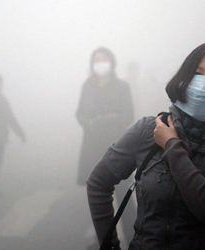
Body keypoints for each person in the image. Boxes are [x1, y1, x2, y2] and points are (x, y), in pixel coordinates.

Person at [87, 41, 205, 249]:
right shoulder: (148, 129)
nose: (203, 84)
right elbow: (98, 183)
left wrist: (171, 145)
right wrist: (109, 246)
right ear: (185, 78)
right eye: (198, 73)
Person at [76, 47, 135, 245]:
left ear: (112, 62)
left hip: (117, 146)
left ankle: (134, 239)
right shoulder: (88, 85)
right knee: (98, 198)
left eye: (104, 59)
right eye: (96, 60)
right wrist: (89, 122)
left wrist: (110, 119)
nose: (100, 63)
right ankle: (105, 241)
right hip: (92, 146)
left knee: (124, 197)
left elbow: (128, 115)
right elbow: (79, 113)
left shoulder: (122, 86)